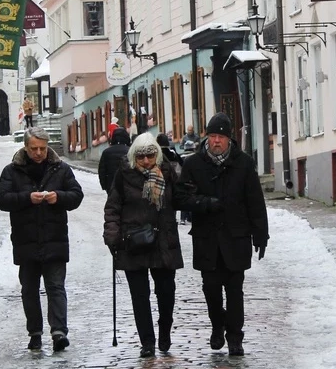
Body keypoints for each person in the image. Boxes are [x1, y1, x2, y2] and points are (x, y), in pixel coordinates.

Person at [174, 112, 268, 357]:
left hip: (236, 237)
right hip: (207, 239)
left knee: (235, 290)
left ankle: (235, 337)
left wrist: (261, 235)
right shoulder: (194, 164)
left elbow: (255, 202)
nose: (216, 141)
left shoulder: (244, 163)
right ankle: (218, 325)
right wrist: (205, 203)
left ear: (229, 139)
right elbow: (180, 197)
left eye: (221, 137)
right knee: (211, 289)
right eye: (212, 136)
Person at [0, 127, 84, 352]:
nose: (38, 153)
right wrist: (27, 198)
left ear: (48, 147)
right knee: (29, 290)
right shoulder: (12, 171)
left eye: (42, 149)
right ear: (25, 147)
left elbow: (76, 195)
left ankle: (59, 332)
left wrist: (59, 197)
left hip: (55, 239)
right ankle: (35, 332)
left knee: (56, 287)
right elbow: (2, 199)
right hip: (26, 240)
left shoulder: (61, 169)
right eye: (33, 148)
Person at [103, 133, 183, 358]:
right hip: (134, 242)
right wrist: (112, 235)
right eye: (141, 157)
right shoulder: (123, 175)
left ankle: (165, 331)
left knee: (166, 293)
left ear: (157, 155)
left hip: (164, 241)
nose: (146, 161)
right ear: (133, 157)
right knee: (140, 296)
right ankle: (147, 342)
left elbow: (182, 198)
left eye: (150, 155)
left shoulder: (169, 172)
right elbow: (112, 207)